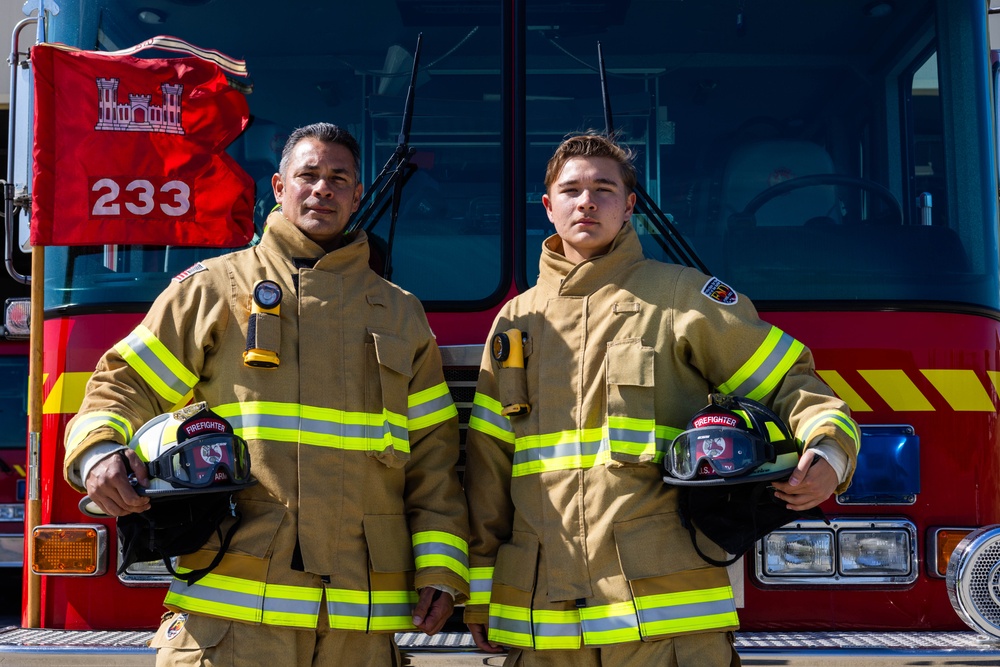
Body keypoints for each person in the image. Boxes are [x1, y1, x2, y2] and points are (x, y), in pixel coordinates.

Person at [62, 122, 470, 667]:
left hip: (359, 628)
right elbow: (125, 383)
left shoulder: (400, 313)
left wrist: (441, 569)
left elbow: (434, 462)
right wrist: (98, 452)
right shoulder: (212, 288)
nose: (322, 189)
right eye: (308, 175)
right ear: (279, 188)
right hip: (232, 620)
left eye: (338, 178)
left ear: (356, 194)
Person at [462, 132, 859, 666]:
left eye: (604, 189)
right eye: (572, 189)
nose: (586, 201)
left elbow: (795, 384)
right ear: (547, 206)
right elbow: (490, 468)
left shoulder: (682, 298)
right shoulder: (515, 321)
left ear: (628, 206)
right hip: (543, 622)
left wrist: (830, 453)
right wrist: (481, 592)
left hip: (666, 622)